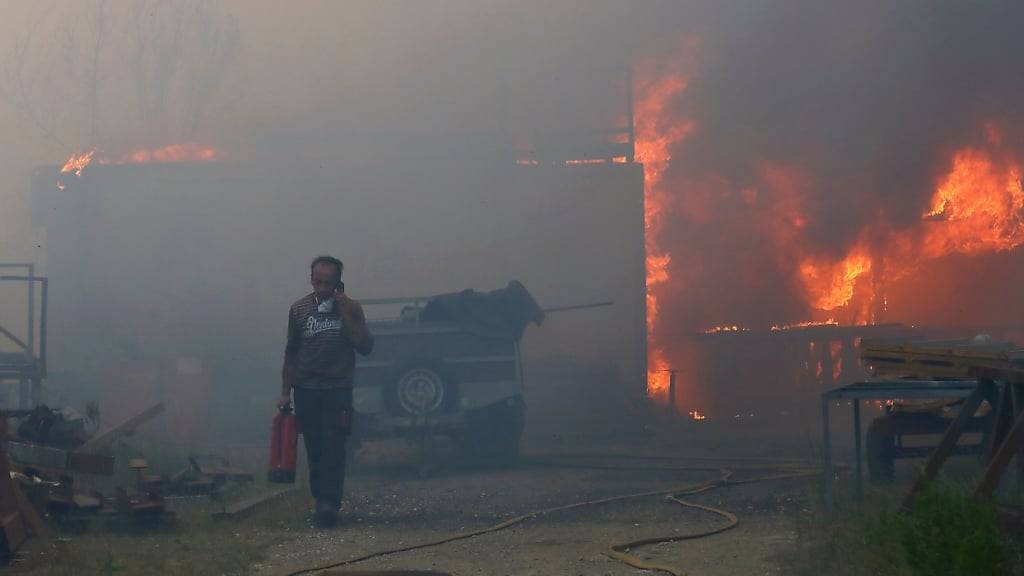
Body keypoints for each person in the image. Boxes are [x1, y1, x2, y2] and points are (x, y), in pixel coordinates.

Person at [280, 255, 374, 527]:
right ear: (311, 280)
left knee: (335, 445)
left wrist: (344, 310)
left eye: (328, 283)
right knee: (314, 446)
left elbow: (365, 346)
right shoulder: (299, 309)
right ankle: (319, 498)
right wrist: (285, 391)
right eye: (318, 282)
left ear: (338, 283)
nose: (322, 288)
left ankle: (329, 504)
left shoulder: (351, 307)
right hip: (306, 389)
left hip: (338, 388)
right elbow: (291, 351)